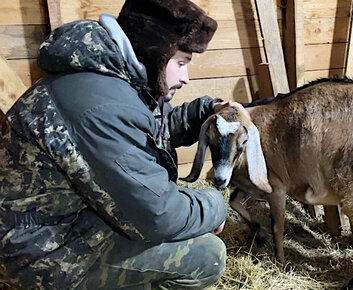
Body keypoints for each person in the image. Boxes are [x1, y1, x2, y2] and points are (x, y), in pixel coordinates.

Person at [0, 0, 234, 288]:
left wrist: (202, 113)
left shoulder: (108, 79)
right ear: (155, 54)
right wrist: (216, 204)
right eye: (182, 62)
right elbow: (158, 216)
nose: (186, 77)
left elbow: (143, 131)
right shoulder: (100, 107)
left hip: (58, 226)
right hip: (38, 255)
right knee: (207, 255)